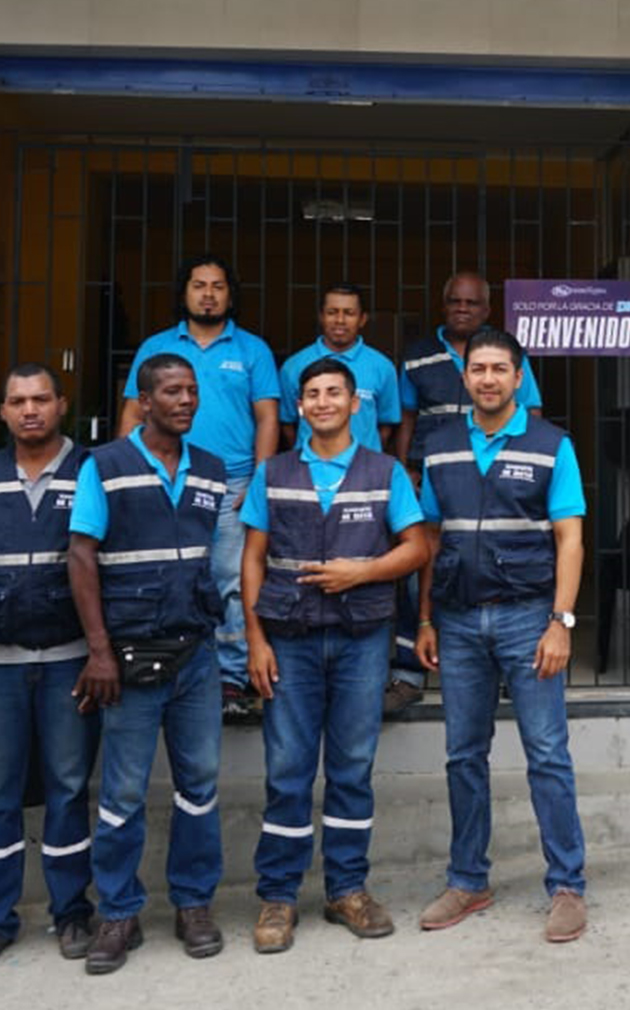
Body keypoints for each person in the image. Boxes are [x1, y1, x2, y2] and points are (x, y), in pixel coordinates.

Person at [240, 357, 430, 954]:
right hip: (289, 641)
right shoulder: (272, 473)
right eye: (313, 394)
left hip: (360, 640)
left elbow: (417, 548)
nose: (323, 402)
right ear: (300, 407)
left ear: (354, 404)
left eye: (334, 393)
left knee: (351, 767)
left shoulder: (384, 471)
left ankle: (347, 888)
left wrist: (363, 573)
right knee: (287, 769)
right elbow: (252, 558)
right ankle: (278, 895)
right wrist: (254, 641)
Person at [414, 327, 589, 944]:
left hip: (528, 619)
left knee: (547, 754)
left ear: (518, 378)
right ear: (464, 378)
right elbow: (431, 539)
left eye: (498, 369)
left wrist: (561, 622)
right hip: (459, 622)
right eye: (477, 369)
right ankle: (468, 880)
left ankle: (567, 885)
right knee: (464, 755)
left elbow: (571, 538)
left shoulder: (551, 445)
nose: (487, 379)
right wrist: (426, 619)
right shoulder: (439, 447)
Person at [70, 353, 229, 974]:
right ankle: (118, 912)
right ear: (143, 401)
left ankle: (194, 904)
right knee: (123, 791)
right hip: (129, 658)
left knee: (200, 784)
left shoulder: (210, 469)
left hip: (195, 655)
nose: (186, 401)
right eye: (172, 391)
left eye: (191, 390)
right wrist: (99, 650)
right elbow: (81, 556)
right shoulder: (104, 466)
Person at [0, 363, 99, 971]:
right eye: (17, 401)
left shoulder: (91, 471)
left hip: (69, 662)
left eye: (40, 399)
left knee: (68, 790)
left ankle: (72, 912)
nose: (29, 410)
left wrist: (100, 654)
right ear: (2, 411)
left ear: (62, 404)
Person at [120, 253, 280, 722]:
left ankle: (229, 678)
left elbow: (268, 418)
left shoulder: (252, 350)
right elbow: (131, 414)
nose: (208, 295)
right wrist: (128, 474)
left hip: (233, 484)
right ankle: (164, 665)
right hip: (167, 483)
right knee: (170, 573)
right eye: (199, 285)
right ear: (184, 292)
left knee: (230, 579)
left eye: (217, 286)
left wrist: (259, 481)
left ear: (230, 295)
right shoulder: (156, 347)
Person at [387, 271, 543, 716]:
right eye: (455, 301)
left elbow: (531, 412)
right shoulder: (418, 356)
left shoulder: (508, 354)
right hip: (435, 476)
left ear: (487, 310)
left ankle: (507, 669)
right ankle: (409, 673)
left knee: (499, 563)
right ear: (443, 305)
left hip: (498, 476)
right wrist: (406, 468)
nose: (462, 308)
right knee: (420, 568)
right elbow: (407, 418)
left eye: (472, 303)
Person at [277, 283, 401, 454]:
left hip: (365, 466)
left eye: (349, 313)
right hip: (309, 465)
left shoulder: (382, 367)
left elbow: (386, 425)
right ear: (321, 316)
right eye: (332, 312)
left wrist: (367, 455)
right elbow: (288, 423)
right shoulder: (294, 366)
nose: (340, 320)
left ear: (362, 319)